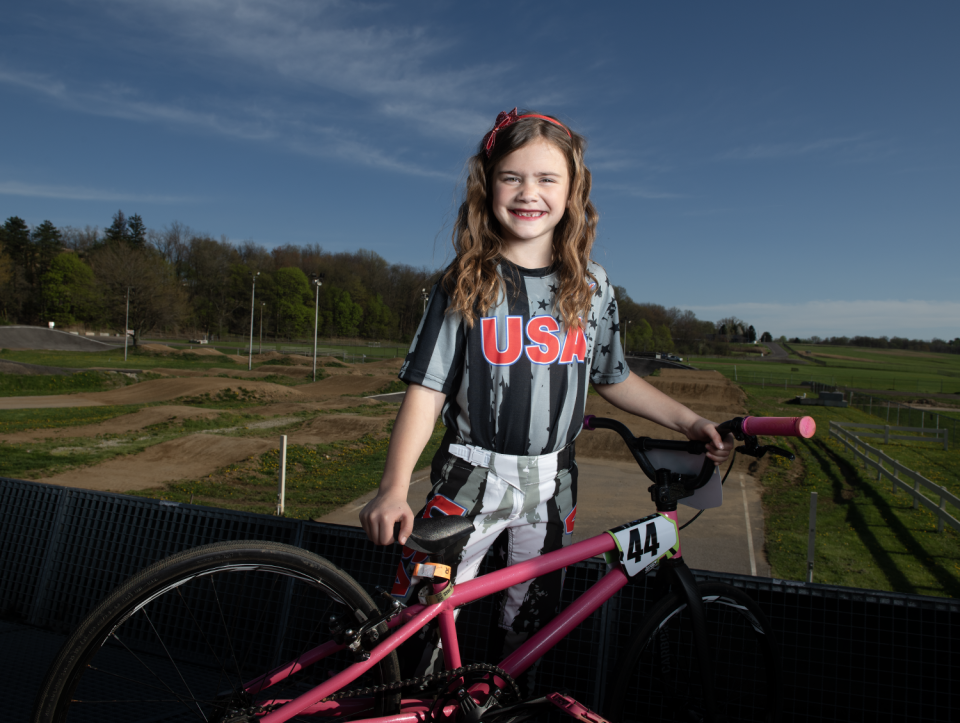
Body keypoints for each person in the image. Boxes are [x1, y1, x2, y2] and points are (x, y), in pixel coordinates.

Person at [360, 107, 731, 683]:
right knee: (418, 623)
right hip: (469, 481)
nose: (528, 192)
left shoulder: (593, 286)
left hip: (553, 485)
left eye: (546, 179)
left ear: (573, 190)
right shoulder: (466, 280)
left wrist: (688, 419)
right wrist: (391, 489)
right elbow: (426, 390)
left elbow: (614, 376)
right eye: (512, 177)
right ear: (488, 187)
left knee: (527, 629)